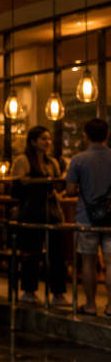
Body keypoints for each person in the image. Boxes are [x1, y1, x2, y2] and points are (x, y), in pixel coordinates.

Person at [11, 126, 67, 306]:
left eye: (49, 139)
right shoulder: (23, 160)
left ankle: (58, 293)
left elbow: (59, 187)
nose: (47, 142)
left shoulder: (53, 163)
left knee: (57, 254)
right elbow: (17, 187)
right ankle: (29, 290)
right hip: (31, 212)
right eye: (43, 138)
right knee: (31, 253)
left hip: (52, 212)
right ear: (33, 141)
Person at [65, 118, 111, 316]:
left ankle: (91, 305)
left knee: (88, 262)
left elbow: (70, 190)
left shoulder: (78, 160)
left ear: (86, 135)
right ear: (107, 135)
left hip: (86, 217)